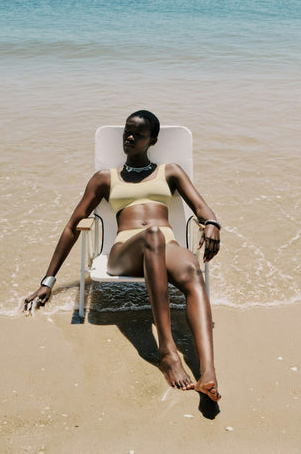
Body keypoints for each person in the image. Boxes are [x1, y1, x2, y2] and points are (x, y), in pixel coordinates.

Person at [24, 110, 221, 402]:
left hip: (167, 247)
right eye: (127, 132)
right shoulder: (106, 178)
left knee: (192, 270)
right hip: (123, 253)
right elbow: (72, 226)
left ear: (152, 139)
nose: (129, 137)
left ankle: (208, 374)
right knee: (153, 235)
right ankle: (166, 352)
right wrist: (47, 280)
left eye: (137, 134)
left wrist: (213, 224)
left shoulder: (171, 172)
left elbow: (202, 208)